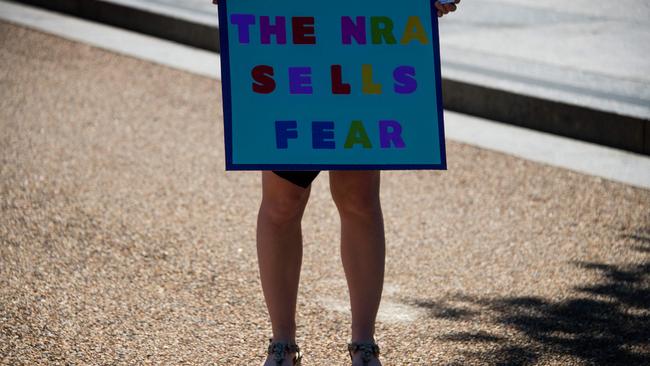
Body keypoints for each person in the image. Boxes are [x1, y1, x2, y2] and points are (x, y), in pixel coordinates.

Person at [212, 1, 461, 364]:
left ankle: (364, 343)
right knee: (283, 202)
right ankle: (282, 343)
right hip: (287, 26)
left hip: (360, 23)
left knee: (358, 198)